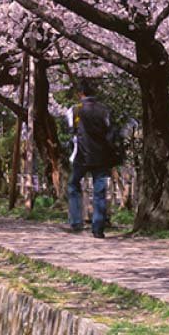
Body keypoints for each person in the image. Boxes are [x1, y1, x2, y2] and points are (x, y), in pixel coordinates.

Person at [66, 77, 113, 238]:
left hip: (82, 155)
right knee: (99, 191)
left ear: (81, 93)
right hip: (101, 156)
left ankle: (76, 221)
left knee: (73, 185)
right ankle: (98, 228)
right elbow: (109, 129)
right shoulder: (104, 110)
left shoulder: (75, 110)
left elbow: (71, 130)